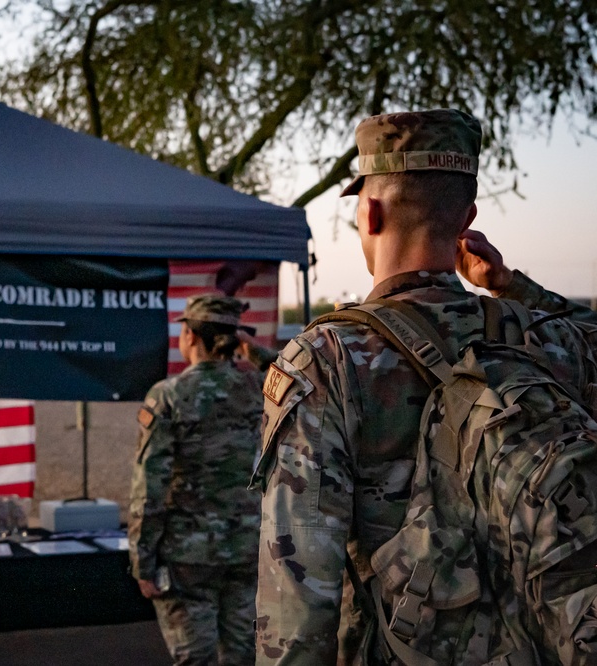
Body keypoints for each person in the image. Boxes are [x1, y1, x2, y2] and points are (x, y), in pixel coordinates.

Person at [253, 109, 597, 663]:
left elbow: (299, 595)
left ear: (369, 211)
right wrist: (513, 288)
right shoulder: (549, 340)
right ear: (468, 219)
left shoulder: (327, 359)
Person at [129, 294, 276, 665]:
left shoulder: (169, 395)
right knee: (243, 656)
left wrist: (141, 561)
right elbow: (291, 374)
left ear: (191, 336)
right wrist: (250, 347)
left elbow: (151, 485)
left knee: (196, 658)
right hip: (246, 549)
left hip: (187, 556)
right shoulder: (259, 389)